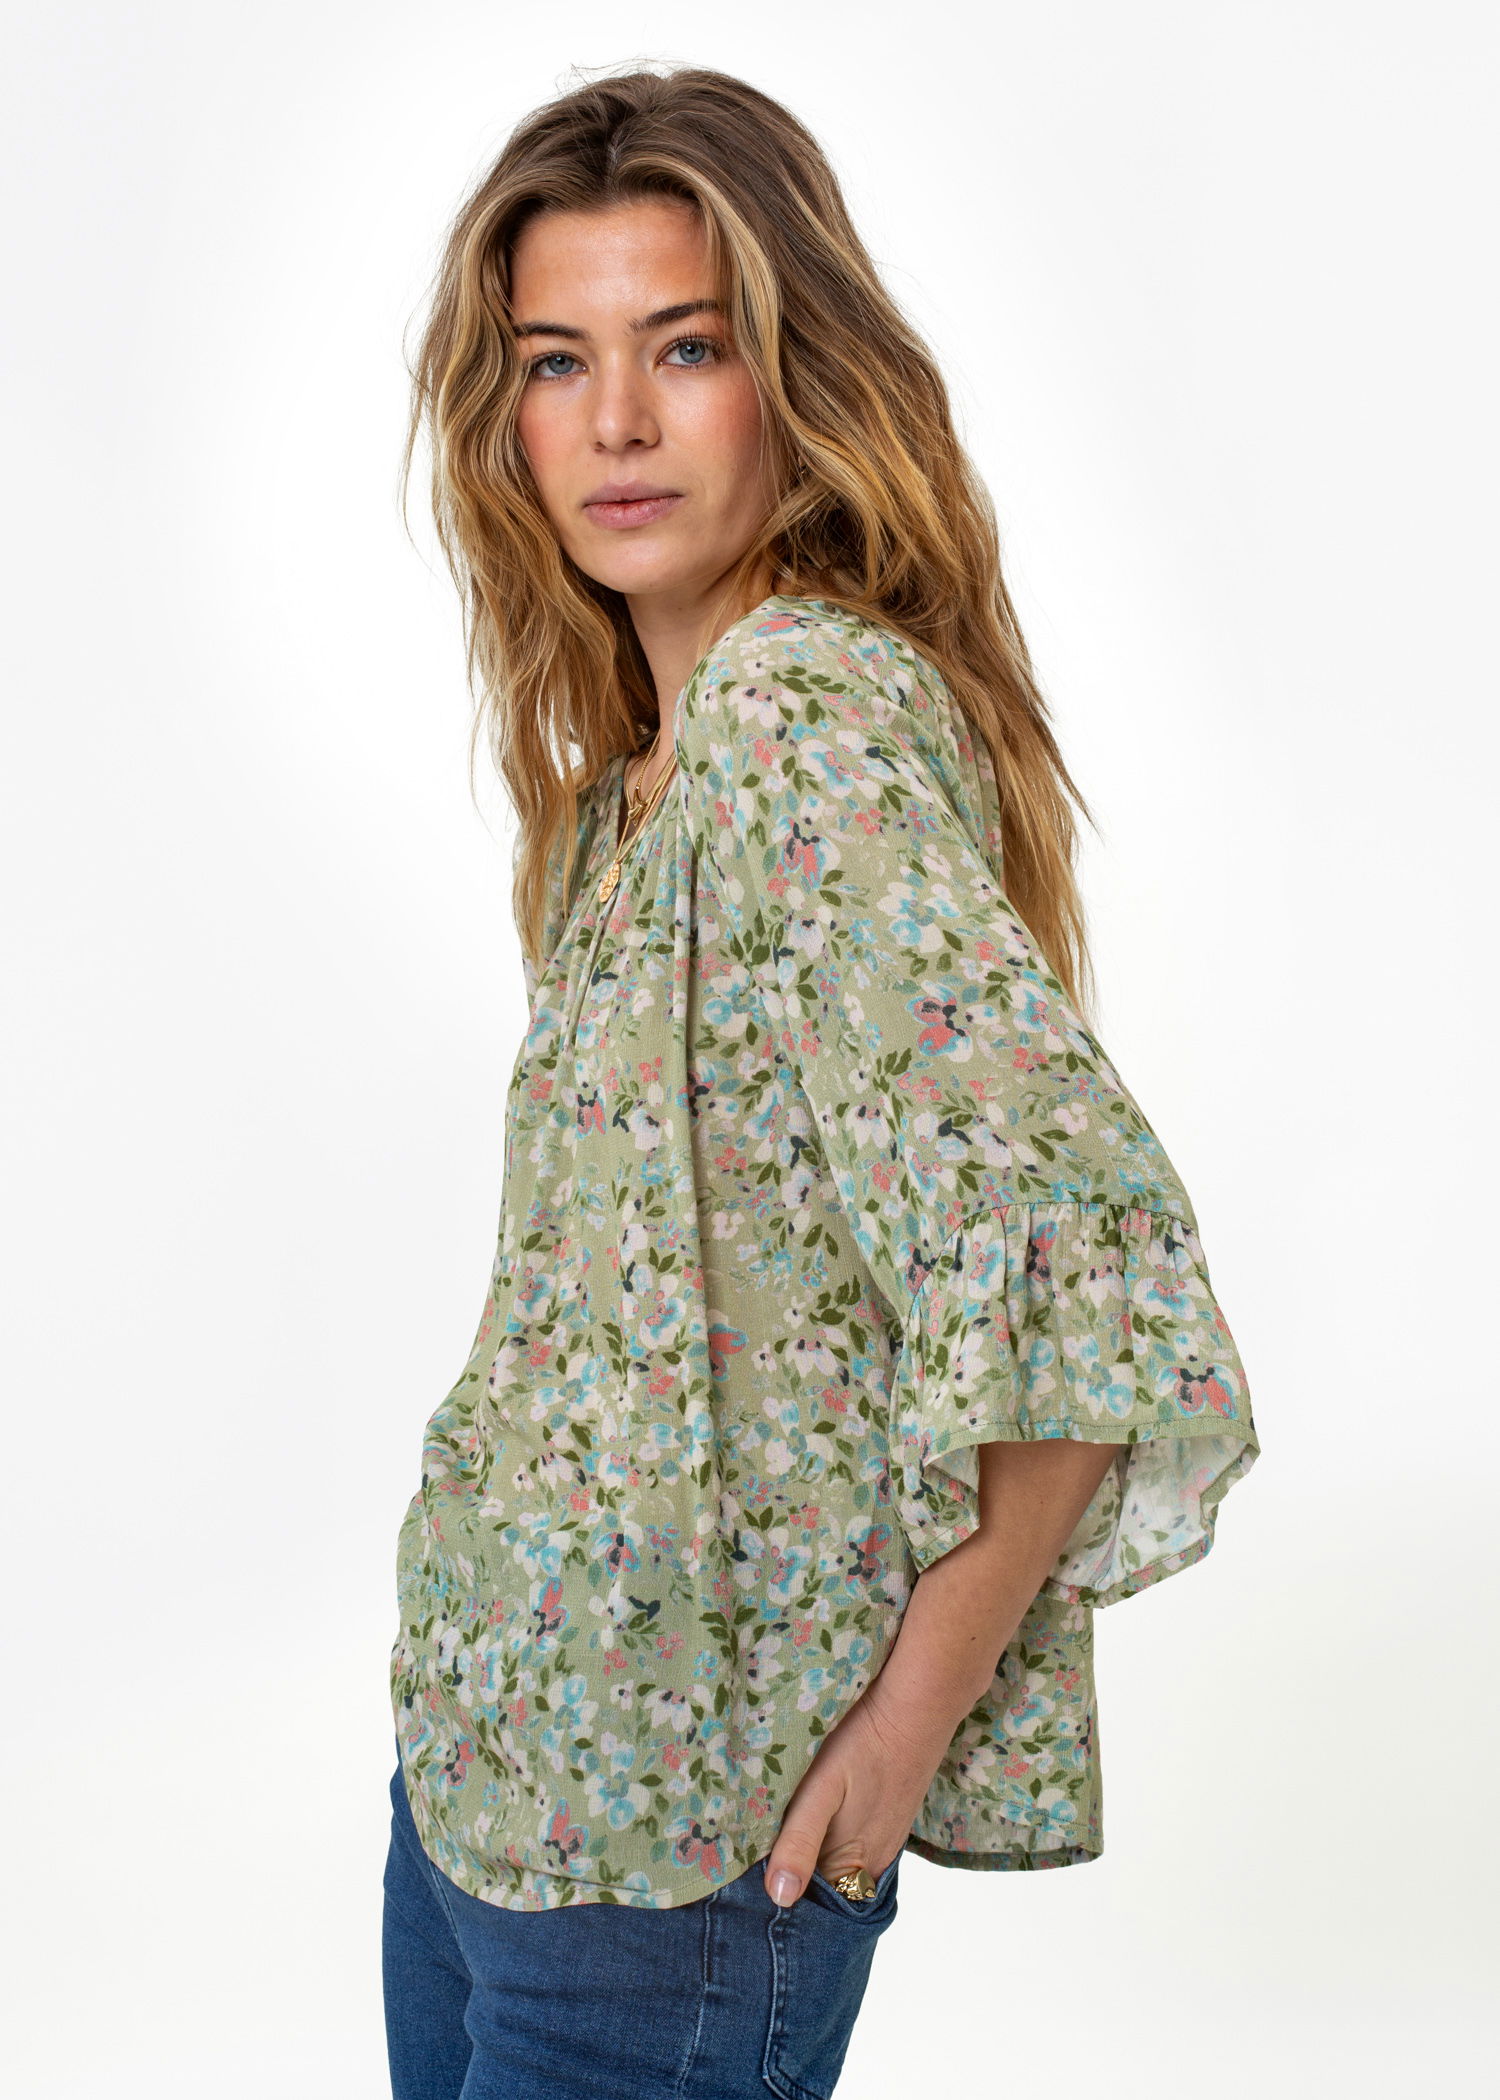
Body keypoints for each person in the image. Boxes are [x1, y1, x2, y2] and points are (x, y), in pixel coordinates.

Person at [381, 60, 1261, 2100]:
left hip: (687, 1855)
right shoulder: (631, 788)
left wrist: (905, 1726)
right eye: (557, 360)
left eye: (685, 347)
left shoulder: (800, 720)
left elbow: (1085, 1258)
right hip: (493, 1782)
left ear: (795, 375)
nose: (617, 421)